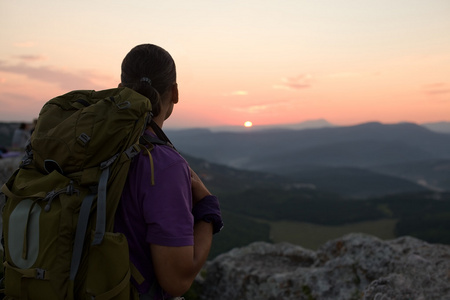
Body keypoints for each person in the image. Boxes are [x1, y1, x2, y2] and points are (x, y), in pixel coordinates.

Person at [114, 44, 223, 300]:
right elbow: (177, 280)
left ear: (120, 91)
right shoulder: (162, 164)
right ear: (175, 92)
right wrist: (208, 209)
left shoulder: (94, 144)